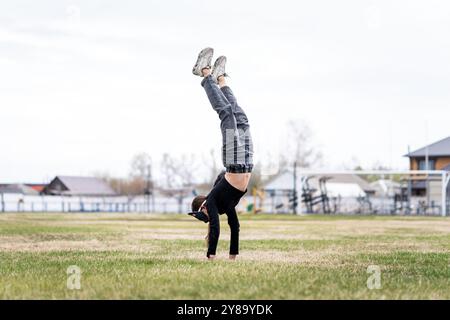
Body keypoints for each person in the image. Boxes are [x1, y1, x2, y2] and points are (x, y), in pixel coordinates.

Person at [188, 47, 254, 261]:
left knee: (226, 114)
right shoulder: (226, 205)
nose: (208, 217)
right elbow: (234, 227)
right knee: (241, 118)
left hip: (234, 162)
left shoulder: (214, 200)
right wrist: (233, 256)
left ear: (204, 206)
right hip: (247, 162)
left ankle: (205, 72)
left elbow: (215, 228)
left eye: (204, 214)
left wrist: (211, 255)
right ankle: (221, 79)